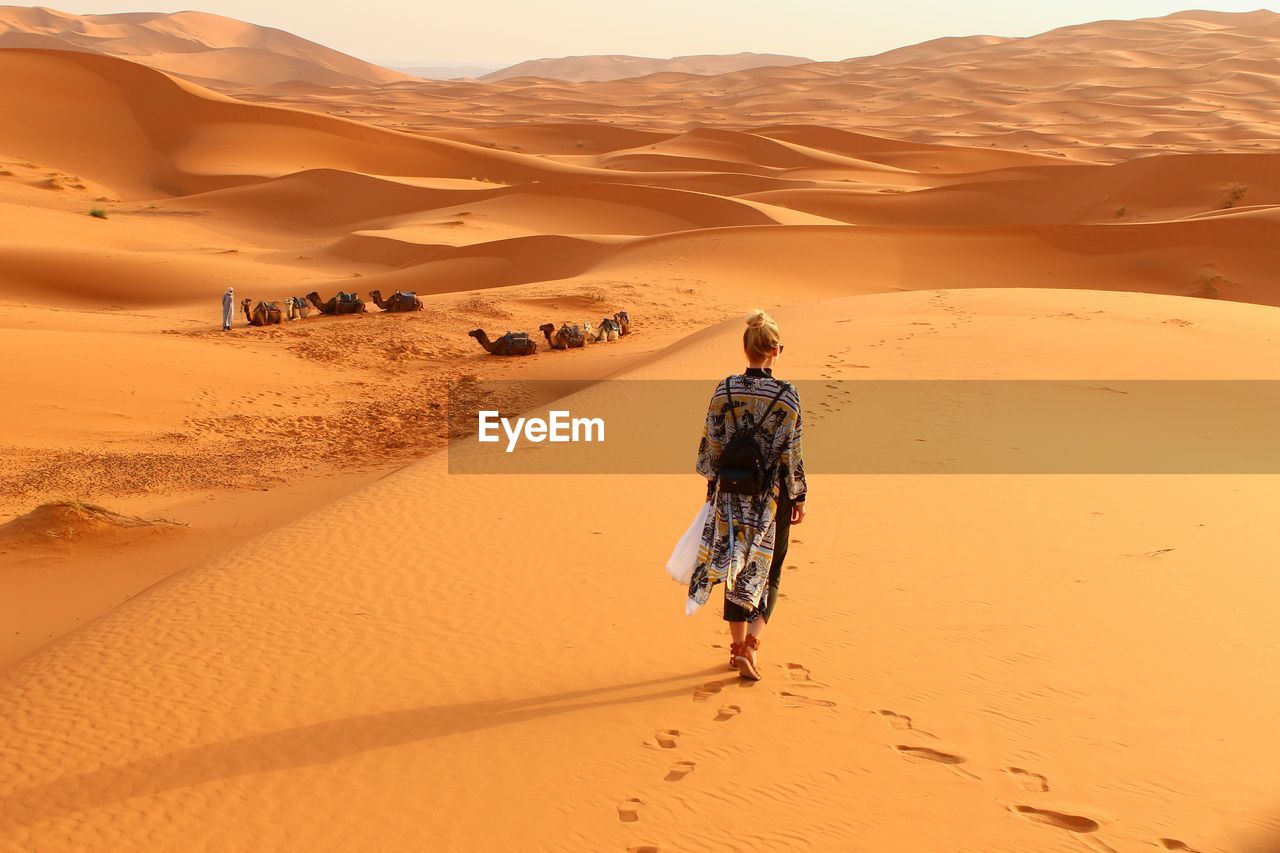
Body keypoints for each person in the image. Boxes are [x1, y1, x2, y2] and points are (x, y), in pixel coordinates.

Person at [690, 309, 807, 680]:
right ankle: (752, 645)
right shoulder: (787, 395)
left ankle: (736, 647)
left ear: (746, 348)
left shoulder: (724, 389)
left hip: (730, 495)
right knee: (769, 569)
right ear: (774, 351)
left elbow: (712, 442)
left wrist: (713, 483)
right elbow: (792, 452)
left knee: (734, 567)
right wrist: (798, 494)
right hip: (771, 498)